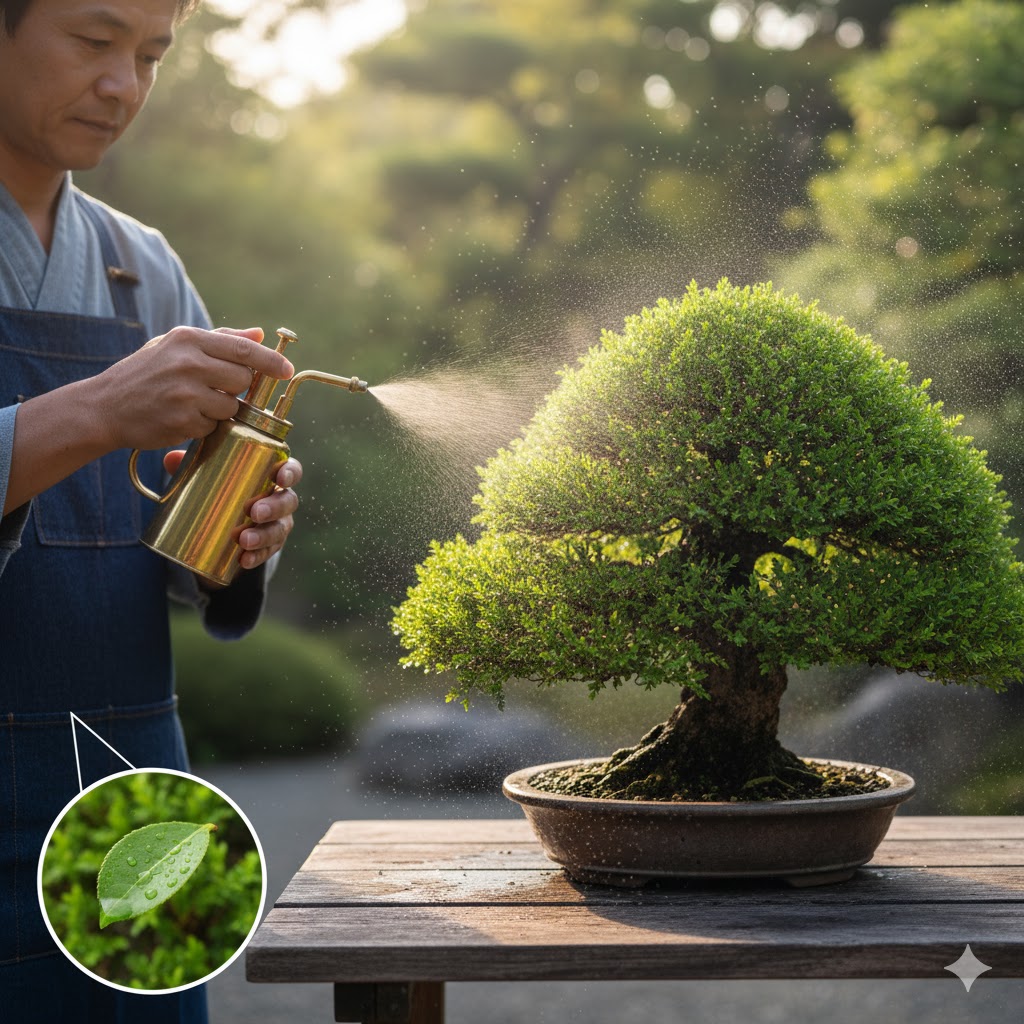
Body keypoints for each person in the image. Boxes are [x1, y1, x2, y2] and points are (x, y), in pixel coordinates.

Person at [0, 0, 302, 1018]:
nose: (124, 84)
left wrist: (234, 533)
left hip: (136, 796)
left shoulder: (144, 268)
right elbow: (105, 422)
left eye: (151, 55)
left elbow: (179, 560)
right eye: (94, 42)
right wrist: (96, 409)